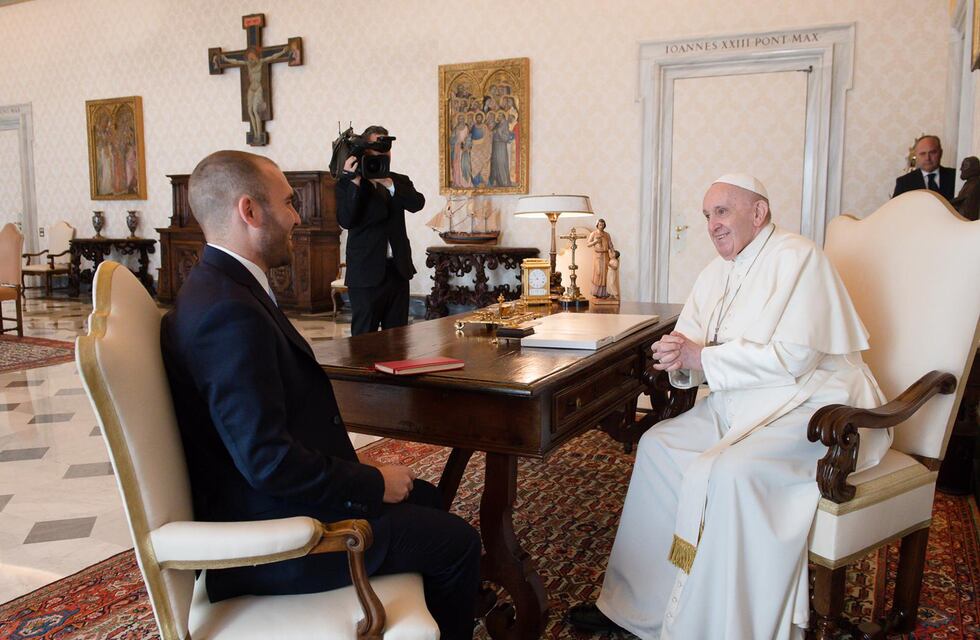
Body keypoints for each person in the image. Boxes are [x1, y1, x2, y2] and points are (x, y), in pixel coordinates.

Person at [161, 150, 480, 639]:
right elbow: (268, 462)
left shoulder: (220, 288)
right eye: (288, 204)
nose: (297, 216)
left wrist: (374, 478)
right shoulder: (227, 313)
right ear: (249, 211)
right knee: (458, 544)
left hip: (273, 502)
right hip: (272, 541)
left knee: (428, 496)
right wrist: (372, 484)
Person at [567, 174, 890, 639]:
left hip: (812, 406)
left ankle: (720, 624)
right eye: (706, 216)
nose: (712, 225)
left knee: (731, 471)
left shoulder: (797, 257)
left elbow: (796, 357)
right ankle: (635, 606)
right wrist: (679, 359)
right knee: (658, 445)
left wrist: (702, 357)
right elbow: (695, 353)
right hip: (740, 404)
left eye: (722, 211)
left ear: (758, 213)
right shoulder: (714, 274)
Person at [336, 125, 426, 336]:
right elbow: (346, 220)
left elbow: (417, 203)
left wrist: (388, 183)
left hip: (398, 270)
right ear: (365, 151)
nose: (383, 152)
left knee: (398, 338)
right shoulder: (349, 181)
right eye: (378, 147)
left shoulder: (398, 180)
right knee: (364, 339)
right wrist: (355, 182)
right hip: (365, 273)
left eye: (387, 147)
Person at [893, 134, 955, 200]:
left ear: (941, 153)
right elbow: (896, 209)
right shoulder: (904, 183)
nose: (927, 158)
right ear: (916, 155)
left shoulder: (955, 176)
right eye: (922, 153)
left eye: (932, 152)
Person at [586, 218, 614, 298]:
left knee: (605, 273)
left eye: (602, 224)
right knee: (598, 273)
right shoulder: (593, 234)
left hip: (605, 255)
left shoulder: (607, 234)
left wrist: (612, 251)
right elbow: (588, 244)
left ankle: (605, 293)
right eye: (600, 224)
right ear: (597, 225)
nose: (601, 226)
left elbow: (610, 244)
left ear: (604, 225)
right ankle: (597, 292)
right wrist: (595, 242)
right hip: (598, 256)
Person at [951, 155, 980, 221]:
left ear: (974, 168)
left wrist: (944, 203)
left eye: (964, 166)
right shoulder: (970, 183)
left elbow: (960, 199)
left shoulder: (974, 184)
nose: (961, 169)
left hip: (967, 220)